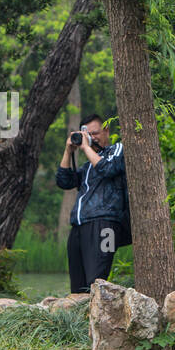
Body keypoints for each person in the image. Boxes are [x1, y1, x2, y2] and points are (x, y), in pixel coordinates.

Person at [56, 114, 128, 294]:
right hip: (80, 227)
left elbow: (109, 169)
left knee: (97, 280)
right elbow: (64, 181)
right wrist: (68, 151)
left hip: (107, 226)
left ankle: (100, 320)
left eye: (95, 133)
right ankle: (81, 321)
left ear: (106, 131)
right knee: (78, 288)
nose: (92, 138)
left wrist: (87, 148)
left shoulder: (117, 150)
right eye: (88, 134)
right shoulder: (88, 166)